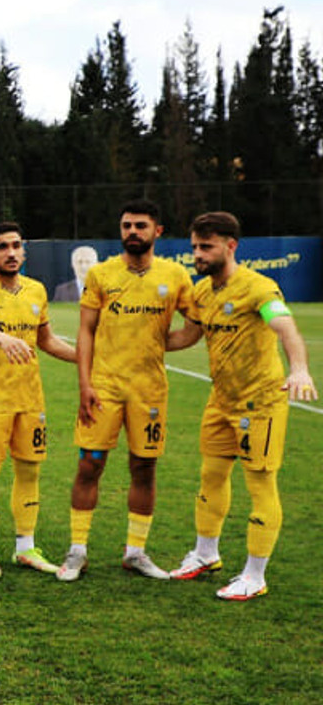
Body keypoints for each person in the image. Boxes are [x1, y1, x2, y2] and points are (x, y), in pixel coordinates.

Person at [165, 211, 317, 600]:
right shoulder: (201, 292)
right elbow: (187, 337)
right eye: (195, 246)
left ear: (230, 246)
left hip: (259, 403)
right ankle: (204, 554)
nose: (197, 254)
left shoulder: (257, 288)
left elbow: (285, 326)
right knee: (210, 477)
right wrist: (136, 344)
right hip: (221, 400)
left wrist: (298, 369)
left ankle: (255, 574)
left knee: (261, 484)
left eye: (206, 247)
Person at [55, 200, 192, 582]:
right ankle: (77, 551)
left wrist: (157, 345)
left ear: (157, 231)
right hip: (104, 388)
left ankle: (135, 552)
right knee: (89, 465)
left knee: (144, 467)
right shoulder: (101, 274)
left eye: (141, 226)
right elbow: (85, 331)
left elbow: (194, 326)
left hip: (149, 391)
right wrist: (85, 383)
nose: (133, 232)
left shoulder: (177, 275)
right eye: (127, 225)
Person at [0, 222, 76, 578]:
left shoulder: (37, 290)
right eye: (2, 247)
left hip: (30, 399)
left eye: (15, 246)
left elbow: (48, 341)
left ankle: (26, 547)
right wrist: (2, 339)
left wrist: (87, 357)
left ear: (23, 250)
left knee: (29, 471)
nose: (10, 253)